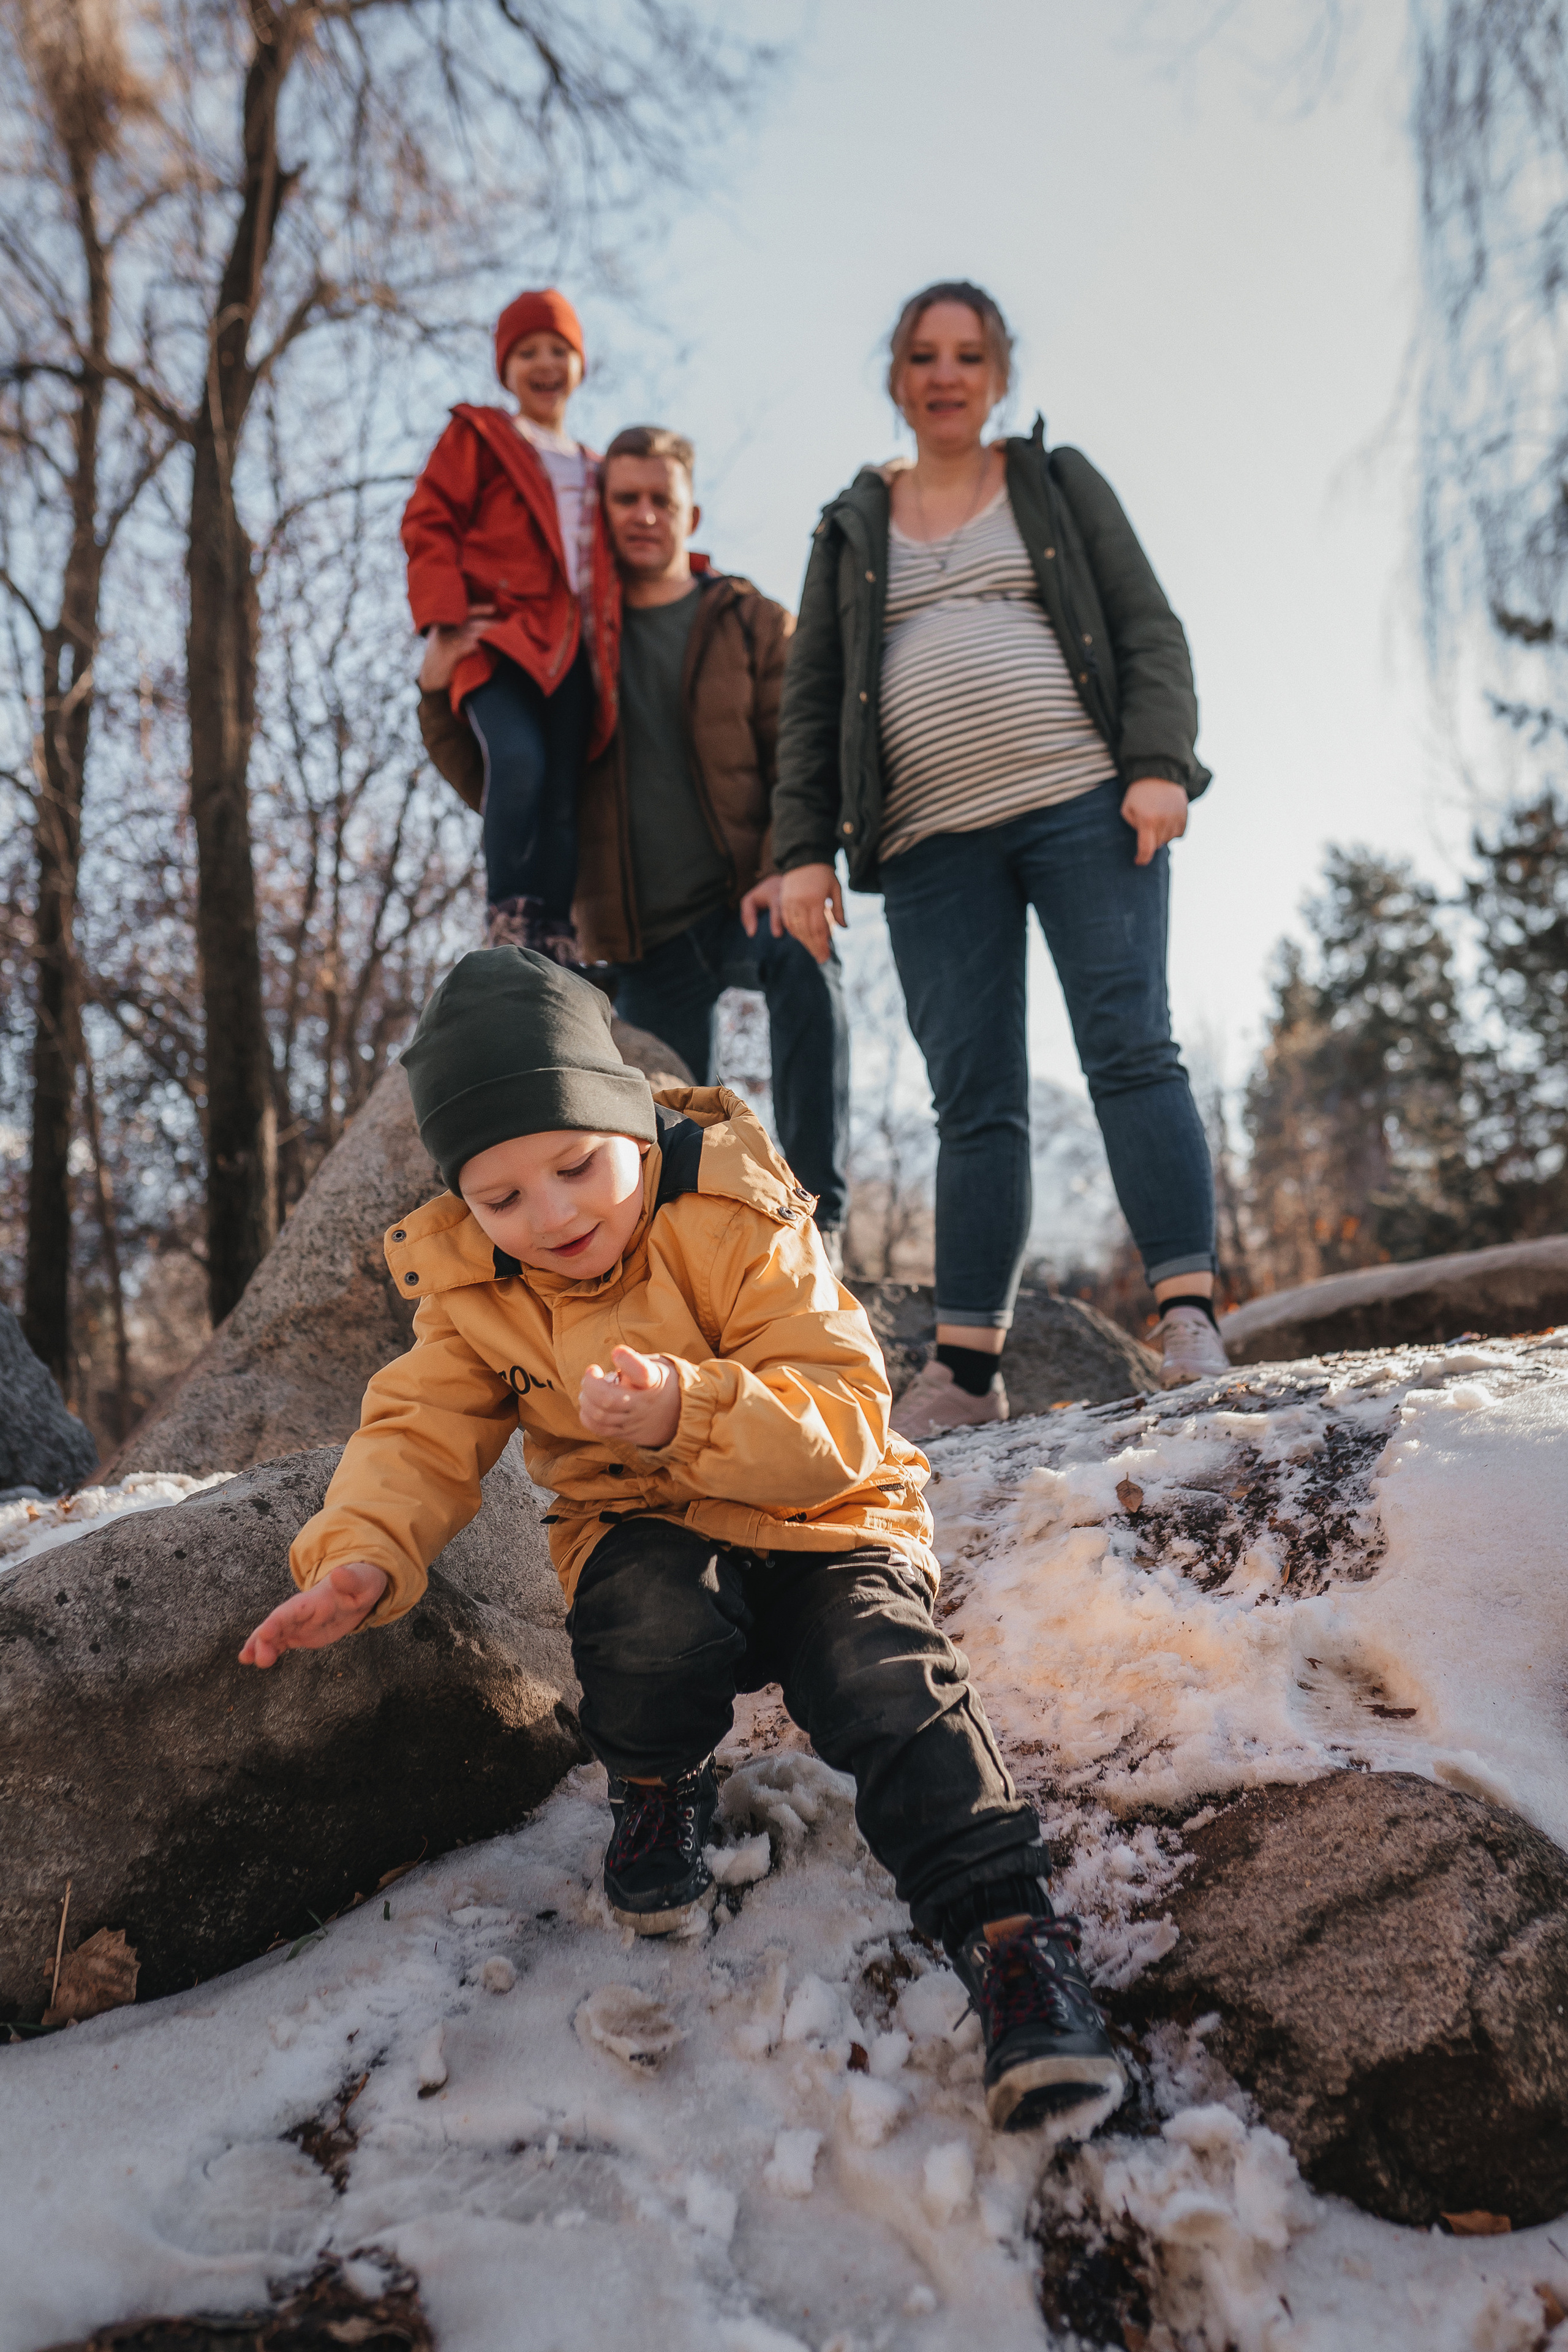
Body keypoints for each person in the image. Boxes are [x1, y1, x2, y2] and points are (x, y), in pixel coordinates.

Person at [237, 947, 1126, 2142]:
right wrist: (357, 1553)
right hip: (643, 1523)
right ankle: (659, 1789)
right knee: (642, 1621)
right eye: (501, 1197)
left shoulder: (737, 1211)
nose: (549, 1216)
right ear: (463, 1202)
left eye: (572, 1166)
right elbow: (417, 1431)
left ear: (631, 1128)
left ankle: (1012, 1938)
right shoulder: (474, 1292)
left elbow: (842, 1416)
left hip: (820, 1515)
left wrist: (686, 1409)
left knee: (879, 1673)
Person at [772, 280, 1226, 1436]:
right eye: (924, 356)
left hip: (1083, 802)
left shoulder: (1054, 483)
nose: (945, 375)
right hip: (926, 839)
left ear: (998, 373)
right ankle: (968, 1371)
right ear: (896, 376)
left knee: (1130, 1046)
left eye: (967, 356)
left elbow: (1146, 626)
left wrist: (1158, 760)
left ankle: (1188, 1317)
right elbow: (815, 697)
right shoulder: (851, 525)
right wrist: (800, 851)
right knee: (972, 1099)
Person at [419, 423, 850, 1261]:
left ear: (690, 512)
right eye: (626, 499)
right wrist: (440, 699)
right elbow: (508, 782)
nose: (644, 515)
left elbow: (808, 752)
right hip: (635, 940)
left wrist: (780, 866)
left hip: (743, 899)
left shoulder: (750, 620)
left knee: (807, 965)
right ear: (602, 512)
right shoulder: (570, 639)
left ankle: (818, 1219)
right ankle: (714, 1258)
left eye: (663, 500)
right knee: (666, 1125)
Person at [402, 287, 618, 963]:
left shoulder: (597, 466)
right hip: (500, 640)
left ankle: (554, 929)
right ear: (506, 367)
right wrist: (444, 620)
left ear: (580, 364)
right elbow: (428, 520)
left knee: (561, 791)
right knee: (517, 762)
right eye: (528, 352)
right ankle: (508, 911)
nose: (545, 363)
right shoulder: (482, 436)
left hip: (574, 652)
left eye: (559, 349)